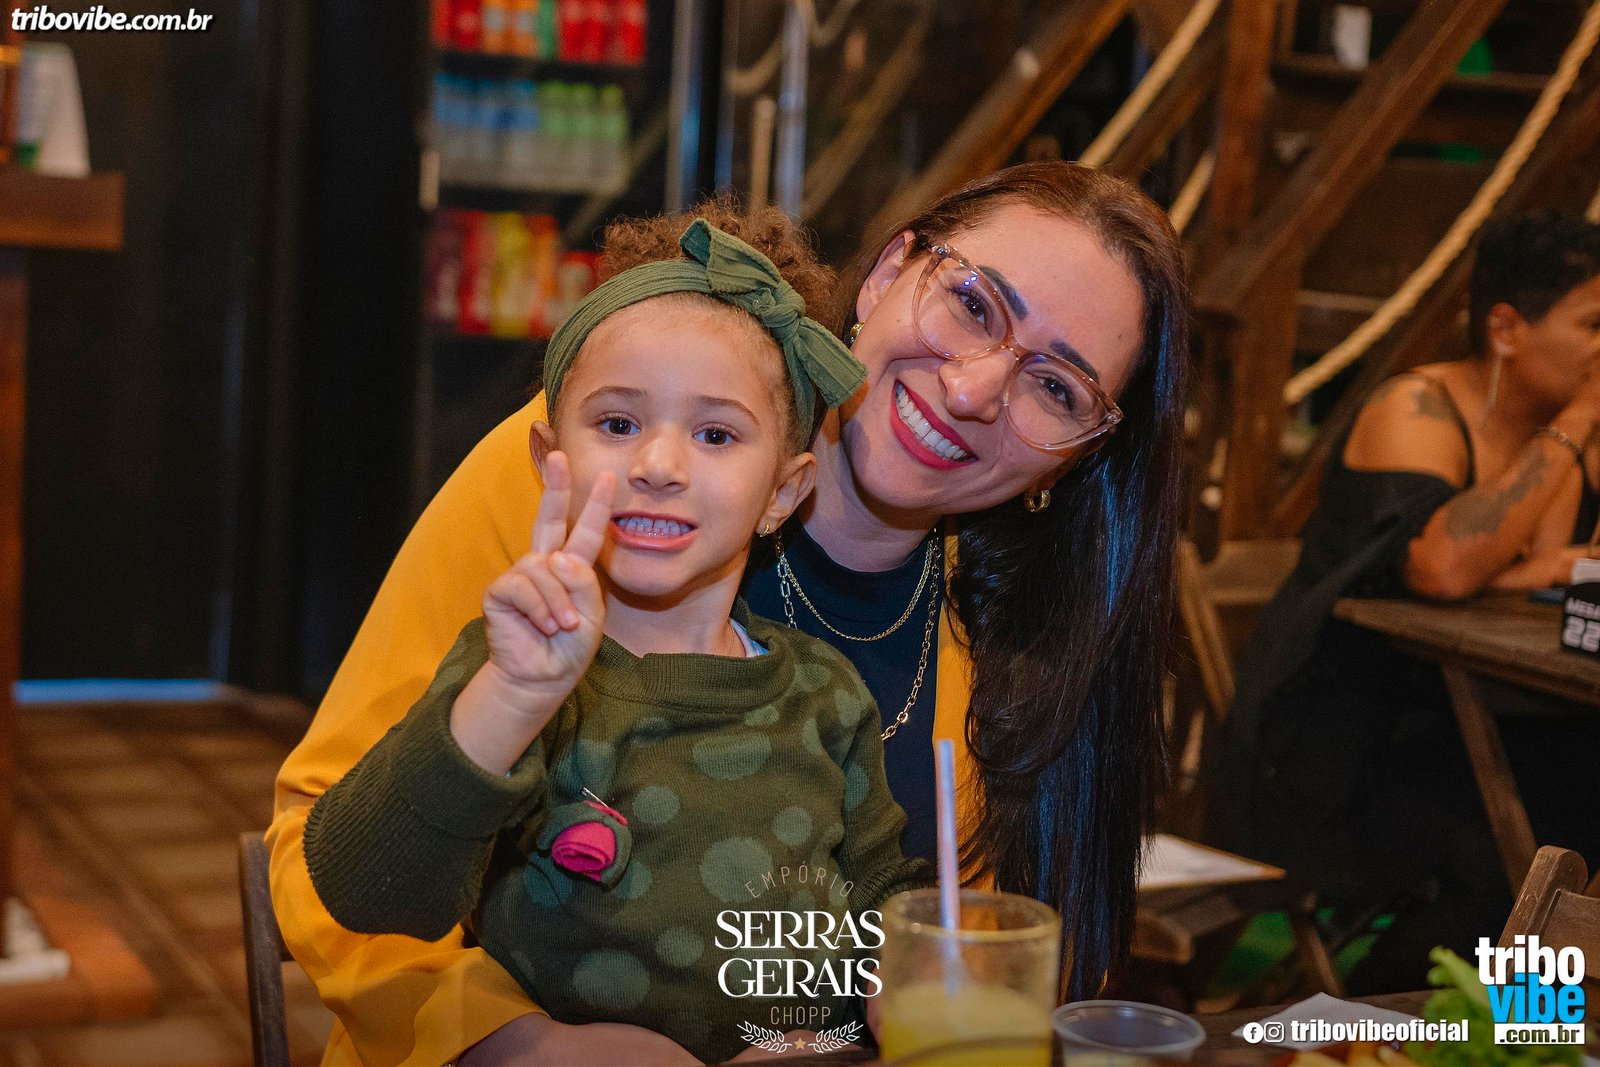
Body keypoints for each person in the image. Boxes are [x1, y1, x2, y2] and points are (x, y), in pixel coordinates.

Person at [269, 164, 1191, 1066]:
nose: (974, 388)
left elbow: (950, 951)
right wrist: (513, 1040)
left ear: (1079, 456)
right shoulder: (588, 489)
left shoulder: (1014, 631)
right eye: (974, 304)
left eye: (1057, 388)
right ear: (888, 273)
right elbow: (330, 857)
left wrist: (842, 1033)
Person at [300, 218, 930, 1064]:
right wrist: (509, 699)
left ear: (783, 493)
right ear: (548, 459)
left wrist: (863, 1008)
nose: (659, 464)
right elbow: (365, 890)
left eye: (716, 434)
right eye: (619, 423)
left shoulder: (828, 696)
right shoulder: (514, 665)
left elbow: (877, 907)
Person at [1214, 210, 1600, 992]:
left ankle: (1531, 1032)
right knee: (1509, 856)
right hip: (1331, 751)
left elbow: (1564, 568)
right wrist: (1579, 419)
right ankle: (1392, 1029)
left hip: (1476, 727)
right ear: (1506, 328)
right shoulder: (1415, 410)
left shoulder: (1565, 438)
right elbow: (1446, 569)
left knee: (1581, 804)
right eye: (1594, 325)